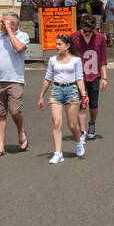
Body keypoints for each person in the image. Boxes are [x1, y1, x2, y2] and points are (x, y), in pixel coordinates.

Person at [37, 33, 89, 164]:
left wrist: (83, 94)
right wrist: (41, 96)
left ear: (68, 46)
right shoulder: (52, 60)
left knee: (72, 125)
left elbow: (79, 78)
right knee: (56, 123)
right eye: (56, 44)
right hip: (56, 91)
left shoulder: (76, 60)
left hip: (71, 91)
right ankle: (58, 153)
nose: (57, 46)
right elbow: (48, 78)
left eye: (59, 44)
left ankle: (78, 143)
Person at [0, 13, 29, 158]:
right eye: (2, 22)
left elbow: (19, 48)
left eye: (4, 22)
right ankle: (0, 146)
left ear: (13, 24)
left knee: (15, 110)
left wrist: (9, 31)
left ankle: (21, 130)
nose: (1, 24)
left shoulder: (23, 35)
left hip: (15, 79)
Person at [71, 13, 108, 146]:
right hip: (79, 76)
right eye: (85, 31)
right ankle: (82, 132)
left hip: (94, 75)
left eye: (90, 31)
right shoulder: (73, 38)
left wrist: (104, 77)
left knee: (93, 105)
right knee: (82, 103)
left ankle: (92, 122)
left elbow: (103, 60)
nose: (87, 33)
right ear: (81, 27)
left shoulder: (101, 38)